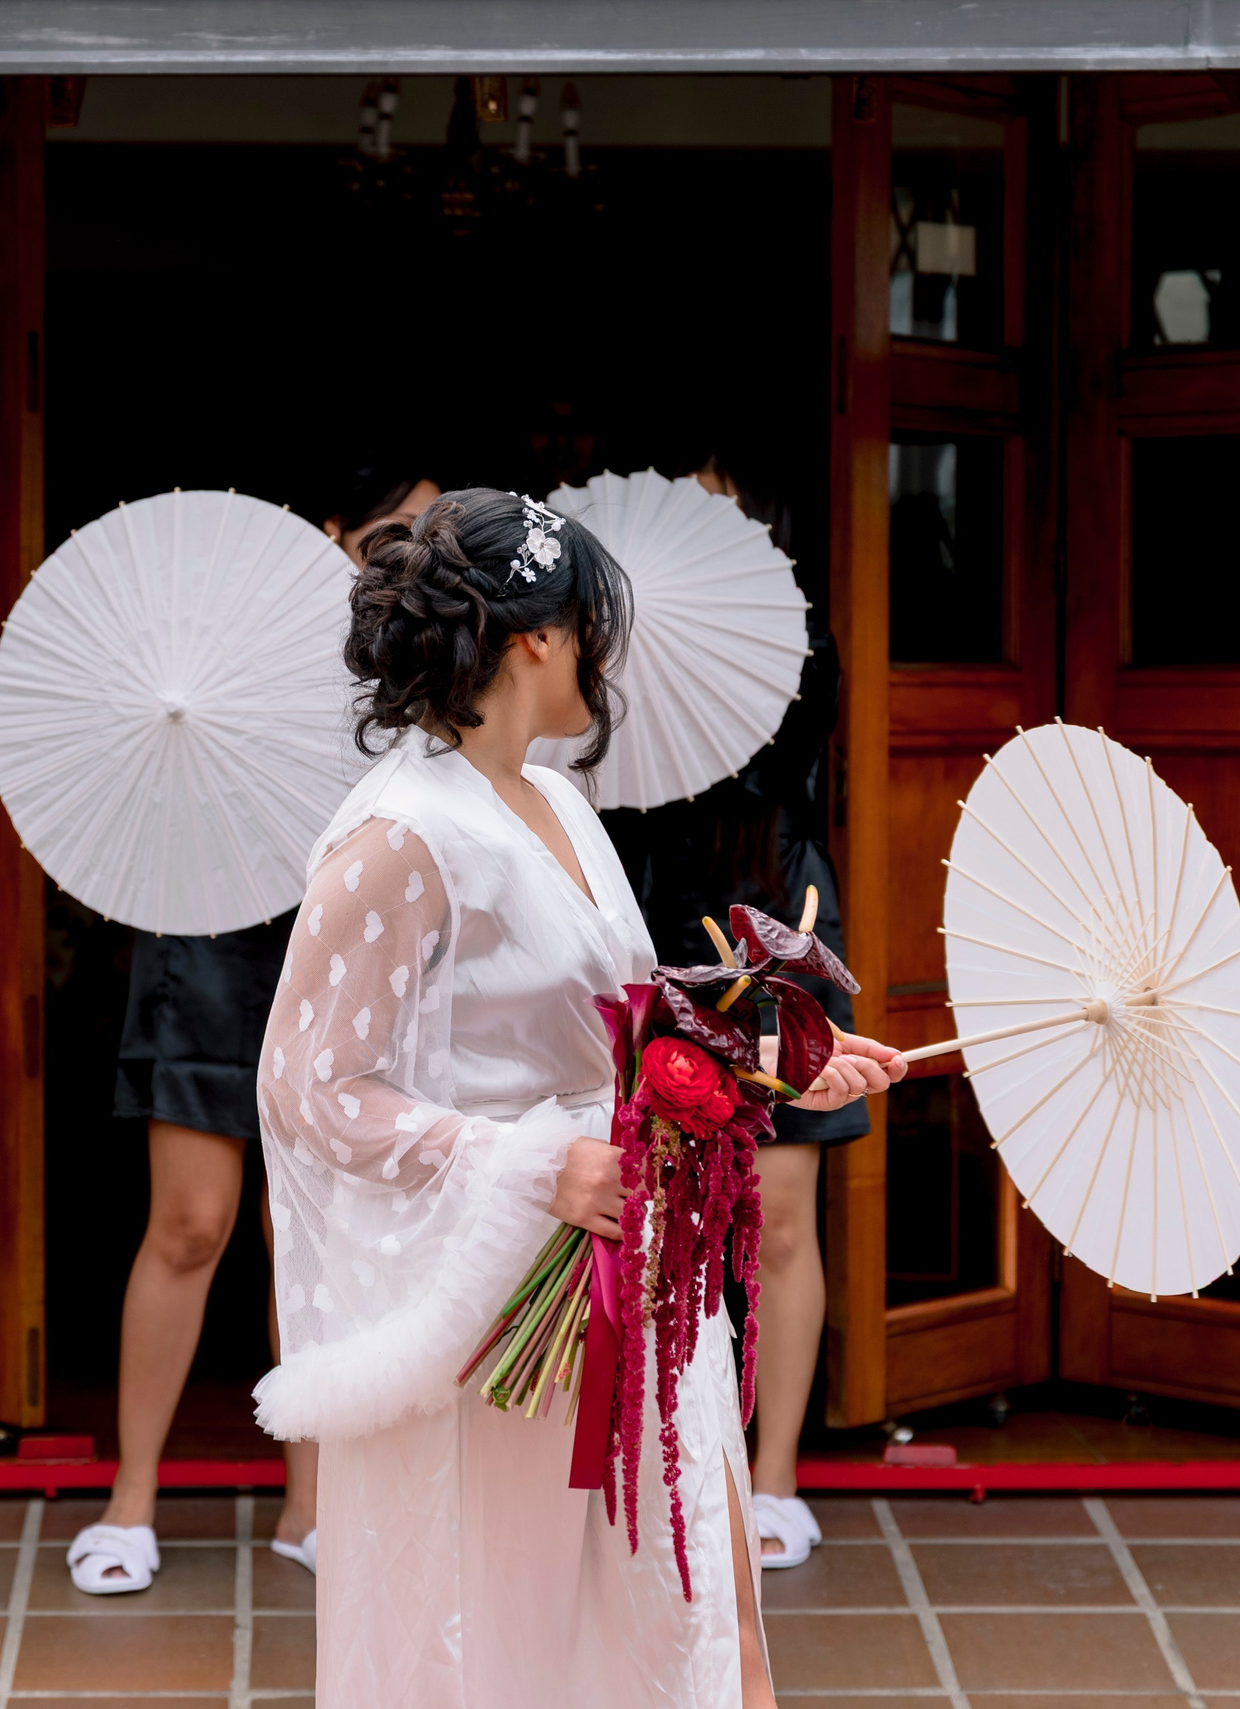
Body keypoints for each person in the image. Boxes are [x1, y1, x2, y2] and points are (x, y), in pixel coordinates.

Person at [252, 489, 903, 1707]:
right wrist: (524, 1163)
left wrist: (775, 1052)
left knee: (699, 1612)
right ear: (536, 639)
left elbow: (621, 1016)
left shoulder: (551, 798)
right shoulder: (400, 832)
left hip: (635, 1262)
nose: (606, 656)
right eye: (591, 627)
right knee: (516, 1627)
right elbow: (307, 1087)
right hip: (514, 1310)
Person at [66, 470, 439, 1597]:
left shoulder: (412, 659)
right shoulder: (226, 637)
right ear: (330, 530)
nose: (405, 559)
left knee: (311, 1229)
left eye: (425, 541)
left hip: (339, 938)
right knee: (190, 1220)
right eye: (389, 534)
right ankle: (132, 1497)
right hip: (210, 932)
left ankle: (312, 1505)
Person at [601, 449, 867, 1572]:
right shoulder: (608, 646)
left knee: (786, 1203)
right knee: (648, 1186)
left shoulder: (800, 641)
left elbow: (802, 775)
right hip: (650, 907)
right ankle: (651, 1454)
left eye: (720, 516)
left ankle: (775, 1476)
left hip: (776, 906)